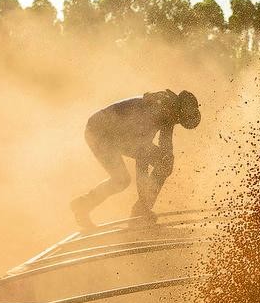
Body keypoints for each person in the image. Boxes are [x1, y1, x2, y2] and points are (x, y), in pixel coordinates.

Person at [71, 89, 201, 229]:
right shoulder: (157, 111)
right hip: (99, 132)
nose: (176, 123)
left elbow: (165, 152)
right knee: (121, 180)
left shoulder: (169, 111)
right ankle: (137, 211)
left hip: (111, 133)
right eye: (178, 120)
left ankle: (84, 204)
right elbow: (142, 161)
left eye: (178, 122)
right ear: (177, 111)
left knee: (161, 163)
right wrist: (142, 210)